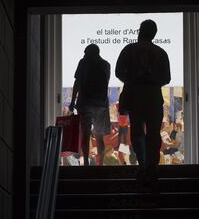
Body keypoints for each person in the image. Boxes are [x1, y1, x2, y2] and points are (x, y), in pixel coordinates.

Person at [115, 19, 171, 189]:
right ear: (154, 34)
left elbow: (119, 71)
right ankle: (152, 167)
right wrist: (151, 80)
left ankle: (142, 164)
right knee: (153, 132)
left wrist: (133, 80)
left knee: (137, 131)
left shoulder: (130, 50)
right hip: (153, 96)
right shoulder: (160, 52)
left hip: (135, 95)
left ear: (140, 31)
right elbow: (166, 78)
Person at [69, 44, 111, 166]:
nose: (84, 55)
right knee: (99, 136)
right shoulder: (106, 65)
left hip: (85, 103)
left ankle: (86, 163)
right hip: (101, 105)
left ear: (91, 53)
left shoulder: (83, 63)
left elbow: (77, 82)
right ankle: (101, 164)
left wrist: (73, 101)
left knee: (86, 135)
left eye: (86, 53)